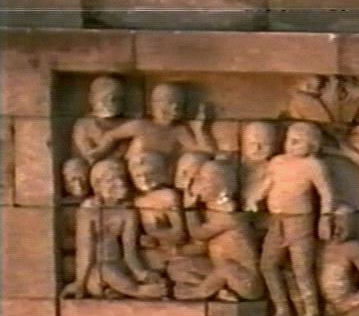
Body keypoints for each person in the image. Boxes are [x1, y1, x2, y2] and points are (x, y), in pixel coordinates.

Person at [246, 122, 335, 316]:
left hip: (300, 221)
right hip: (277, 220)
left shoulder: (313, 165)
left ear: (312, 145)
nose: (291, 145)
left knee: (302, 268)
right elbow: (268, 183)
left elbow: (327, 194)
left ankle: (312, 313)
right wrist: (255, 197)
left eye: (297, 141)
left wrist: (325, 219)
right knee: (268, 265)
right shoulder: (278, 162)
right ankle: (282, 310)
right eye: (289, 139)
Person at [61, 159, 167, 300]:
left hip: (119, 265)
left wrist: (141, 273)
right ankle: (138, 291)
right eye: (111, 180)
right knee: (104, 271)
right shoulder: (88, 211)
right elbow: (85, 251)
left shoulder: (127, 212)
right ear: (98, 185)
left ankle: (119, 290)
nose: (120, 183)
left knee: (155, 262)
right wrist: (80, 284)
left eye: (121, 177)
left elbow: (130, 252)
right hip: (94, 270)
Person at [173, 159, 263, 301]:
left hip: (246, 281)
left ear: (223, 189)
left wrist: (190, 208)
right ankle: (218, 289)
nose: (197, 184)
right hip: (220, 270)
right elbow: (202, 246)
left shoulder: (229, 215)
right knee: (177, 267)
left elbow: (198, 233)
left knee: (227, 268)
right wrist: (177, 251)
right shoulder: (211, 211)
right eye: (198, 178)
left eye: (204, 179)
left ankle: (200, 291)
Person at [71, 75, 127, 164]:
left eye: (117, 99)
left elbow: (124, 151)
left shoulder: (125, 123)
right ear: (91, 98)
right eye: (105, 98)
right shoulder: (84, 124)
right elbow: (87, 153)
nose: (111, 103)